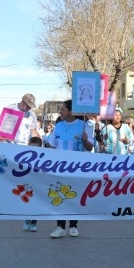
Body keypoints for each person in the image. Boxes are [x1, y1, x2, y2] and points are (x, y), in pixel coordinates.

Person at [45, 100, 94, 238]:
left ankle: (73, 225)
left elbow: (90, 147)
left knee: (74, 195)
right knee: (59, 195)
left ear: (72, 111)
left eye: (63, 109)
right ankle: (60, 226)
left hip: (77, 168)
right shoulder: (58, 126)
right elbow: (52, 145)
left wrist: (85, 140)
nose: (60, 111)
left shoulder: (83, 126)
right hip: (60, 167)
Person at [22, 136, 44, 232]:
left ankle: (34, 222)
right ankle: (27, 220)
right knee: (27, 202)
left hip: (38, 183)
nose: (34, 148)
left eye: (37, 146)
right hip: (27, 182)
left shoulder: (43, 157)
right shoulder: (25, 156)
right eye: (32, 146)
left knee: (37, 203)